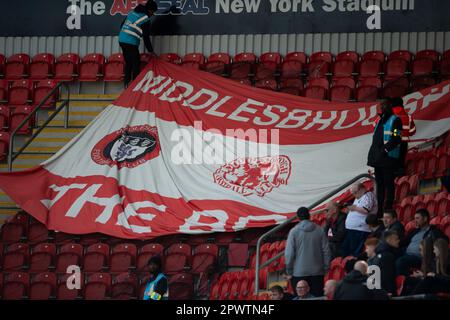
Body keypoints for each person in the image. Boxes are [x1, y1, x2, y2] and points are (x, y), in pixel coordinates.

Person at [367, 99, 403, 217]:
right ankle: (380, 209)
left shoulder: (396, 120)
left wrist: (385, 150)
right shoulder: (379, 120)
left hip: (388, 158)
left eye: (383, 105)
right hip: (378, 158)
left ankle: (388, 207)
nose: (381, 107)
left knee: (388, 184)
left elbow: (396, 137)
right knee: (380, 185)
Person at [285, 207, 331, 297]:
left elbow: (289, 254)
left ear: (298, 217)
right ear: (309, 216)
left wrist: (289, 270)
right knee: (317, 298)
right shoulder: (320, 230)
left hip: (298, 272)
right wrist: (326, 267)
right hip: (317, 271)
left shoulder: (293, 232)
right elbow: (326, 251)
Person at [396, 209, 448, 276]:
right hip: (406, 253)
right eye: (414, 218)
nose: (415, 221)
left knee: (401, 261)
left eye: (417, 218)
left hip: (418, 257)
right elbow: (404, 241)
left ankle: (402, 282)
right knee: (389, 255)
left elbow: (443, 242)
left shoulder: (434, 231)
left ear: (425, 219)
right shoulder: (414, 231)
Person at [118, 0, 158, 87]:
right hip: (131, 42)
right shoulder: (145, 20)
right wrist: (151, 51)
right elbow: (146, 38)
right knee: (136, 63)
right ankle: (134, 86)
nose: (152, 15)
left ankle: (126, 84)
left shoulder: (132, 12)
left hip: (121, 40)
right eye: (153, 13)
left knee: (128, 63)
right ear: (150, 11)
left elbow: (121, 25)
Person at [341, 183, 378, 257]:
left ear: (361, 189)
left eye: (355, 192)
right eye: (353, 193)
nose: (354, 195)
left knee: (356, 252)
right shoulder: (359, 197)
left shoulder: (368, 196)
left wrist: (354, 208)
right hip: (353, 229)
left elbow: (366, 210)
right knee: (345, 250)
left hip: (360, 230)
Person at [369, 231, 401, 296]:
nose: (399, 241)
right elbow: (388, 277)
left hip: (375, 291)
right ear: (389, 240)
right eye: (396, 239)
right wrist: (392, 293)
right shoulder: (388, 256)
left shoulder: (377, 254)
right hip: (384, 292)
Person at [390, 97, 416, 174]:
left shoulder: (389, 116)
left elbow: (376, 126)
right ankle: (401, 180)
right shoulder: (408, 117)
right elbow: (412, 131)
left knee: (391, 163)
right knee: (401, 163)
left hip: (392, 143)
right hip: (403, 143)